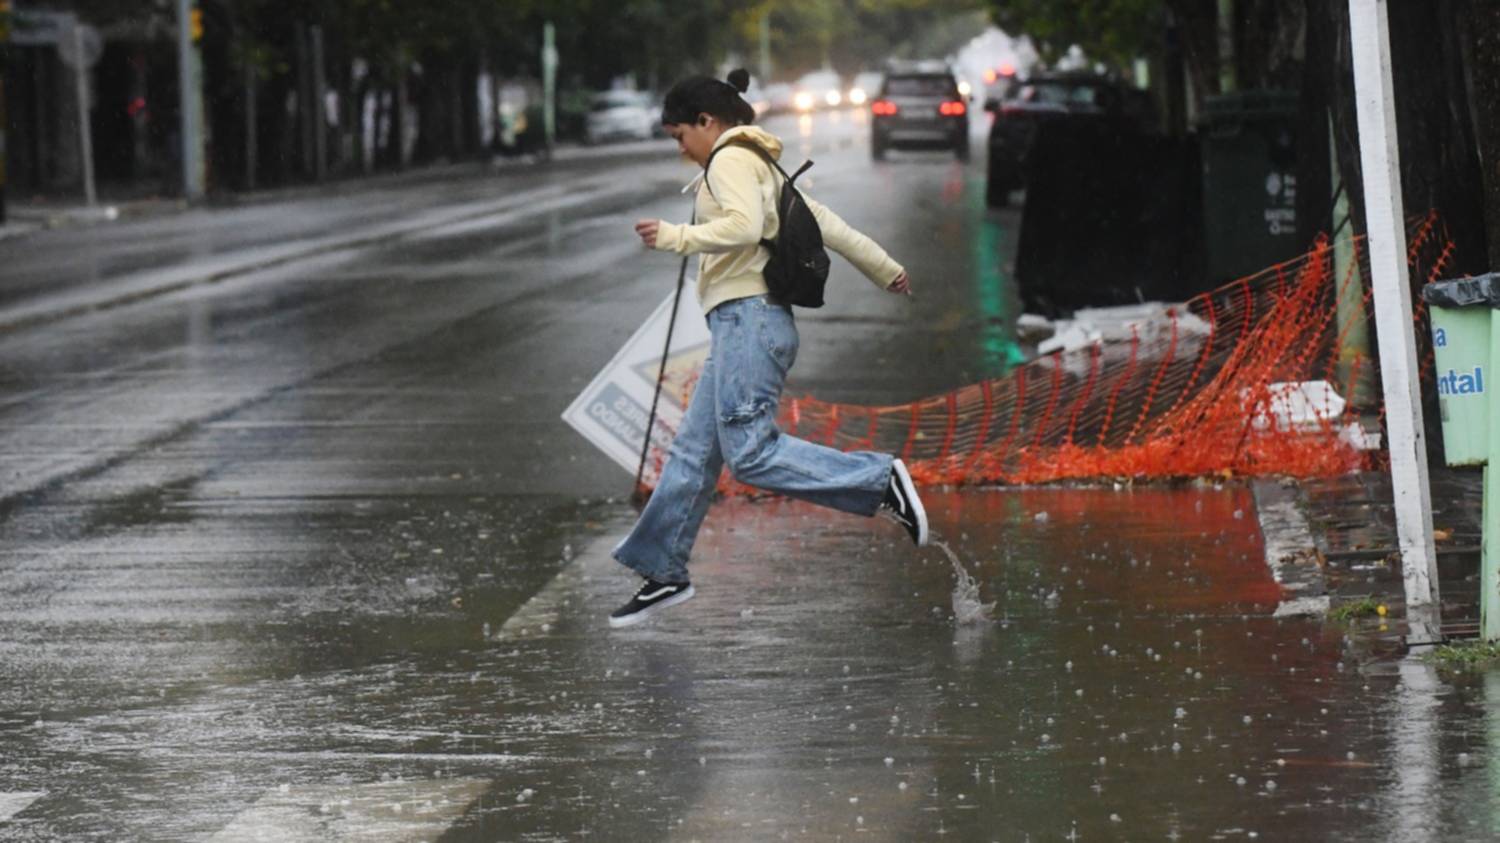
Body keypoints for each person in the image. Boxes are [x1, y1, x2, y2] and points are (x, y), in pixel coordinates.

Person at [609, 69, 928, 628]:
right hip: (747, 324)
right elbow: (826, 223)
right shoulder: (759, 163)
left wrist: (674, 237)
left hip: (748, 322)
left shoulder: (731, 160)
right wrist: (887, 269)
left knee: (749, 453)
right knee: (693, 452)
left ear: (707, 122)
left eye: (680, 135)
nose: (681, 149)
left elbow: (742, 225)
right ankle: (662, 569)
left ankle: (879, 482)